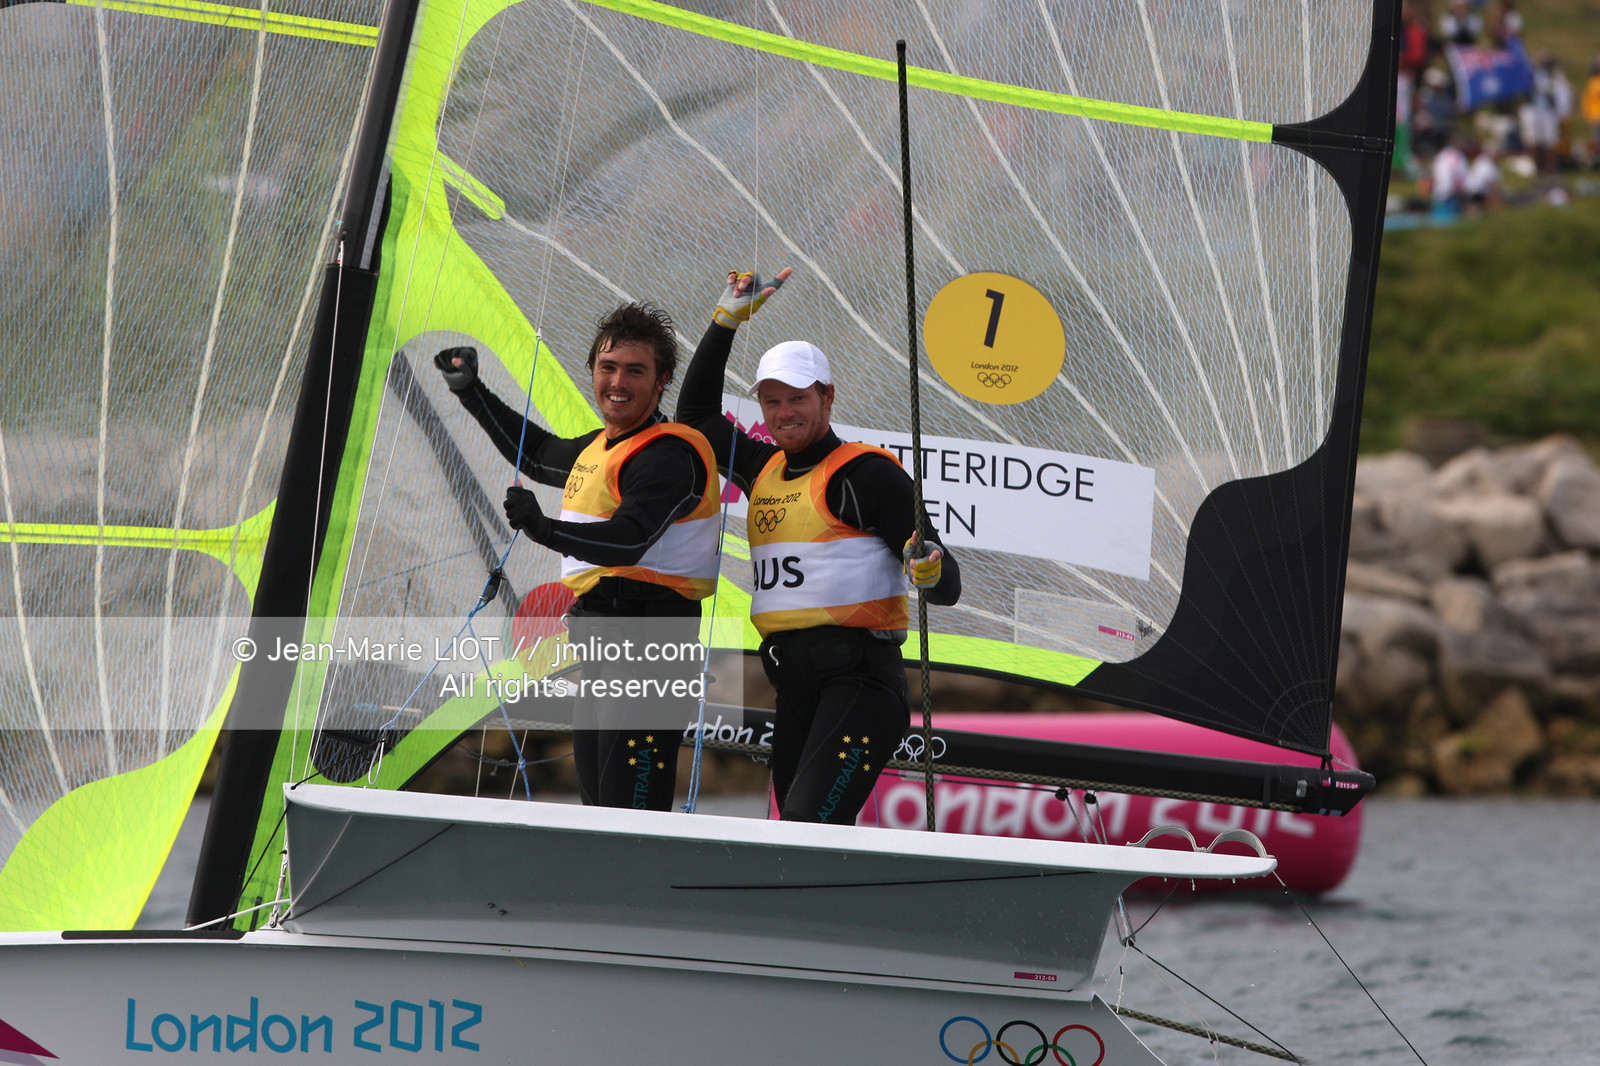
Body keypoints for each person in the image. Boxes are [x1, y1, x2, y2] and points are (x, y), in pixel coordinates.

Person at [676, 270, 962, 824]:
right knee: (799, 838)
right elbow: (696, 420)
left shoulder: (867, 473)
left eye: (798, 399)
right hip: (797, 690)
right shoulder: (764, 467)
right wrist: (724, 323)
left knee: (808, 834)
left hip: (859, 686)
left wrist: (927, 569)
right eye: (772, 401)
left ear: (827, 397)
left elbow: (946, 582)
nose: (784, 413)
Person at [435, 303, 720, 810]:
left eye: (636, 371)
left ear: (662, 382)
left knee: (630, 817)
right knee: (597, 810)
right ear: (592, 370)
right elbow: (534, 453)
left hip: (653, 647)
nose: (618, 382)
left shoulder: (669, 456)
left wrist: (544, 528)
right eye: (608, 368)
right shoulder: (599, 448)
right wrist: (470, 391)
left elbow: (631, 539)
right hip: (602, 643)